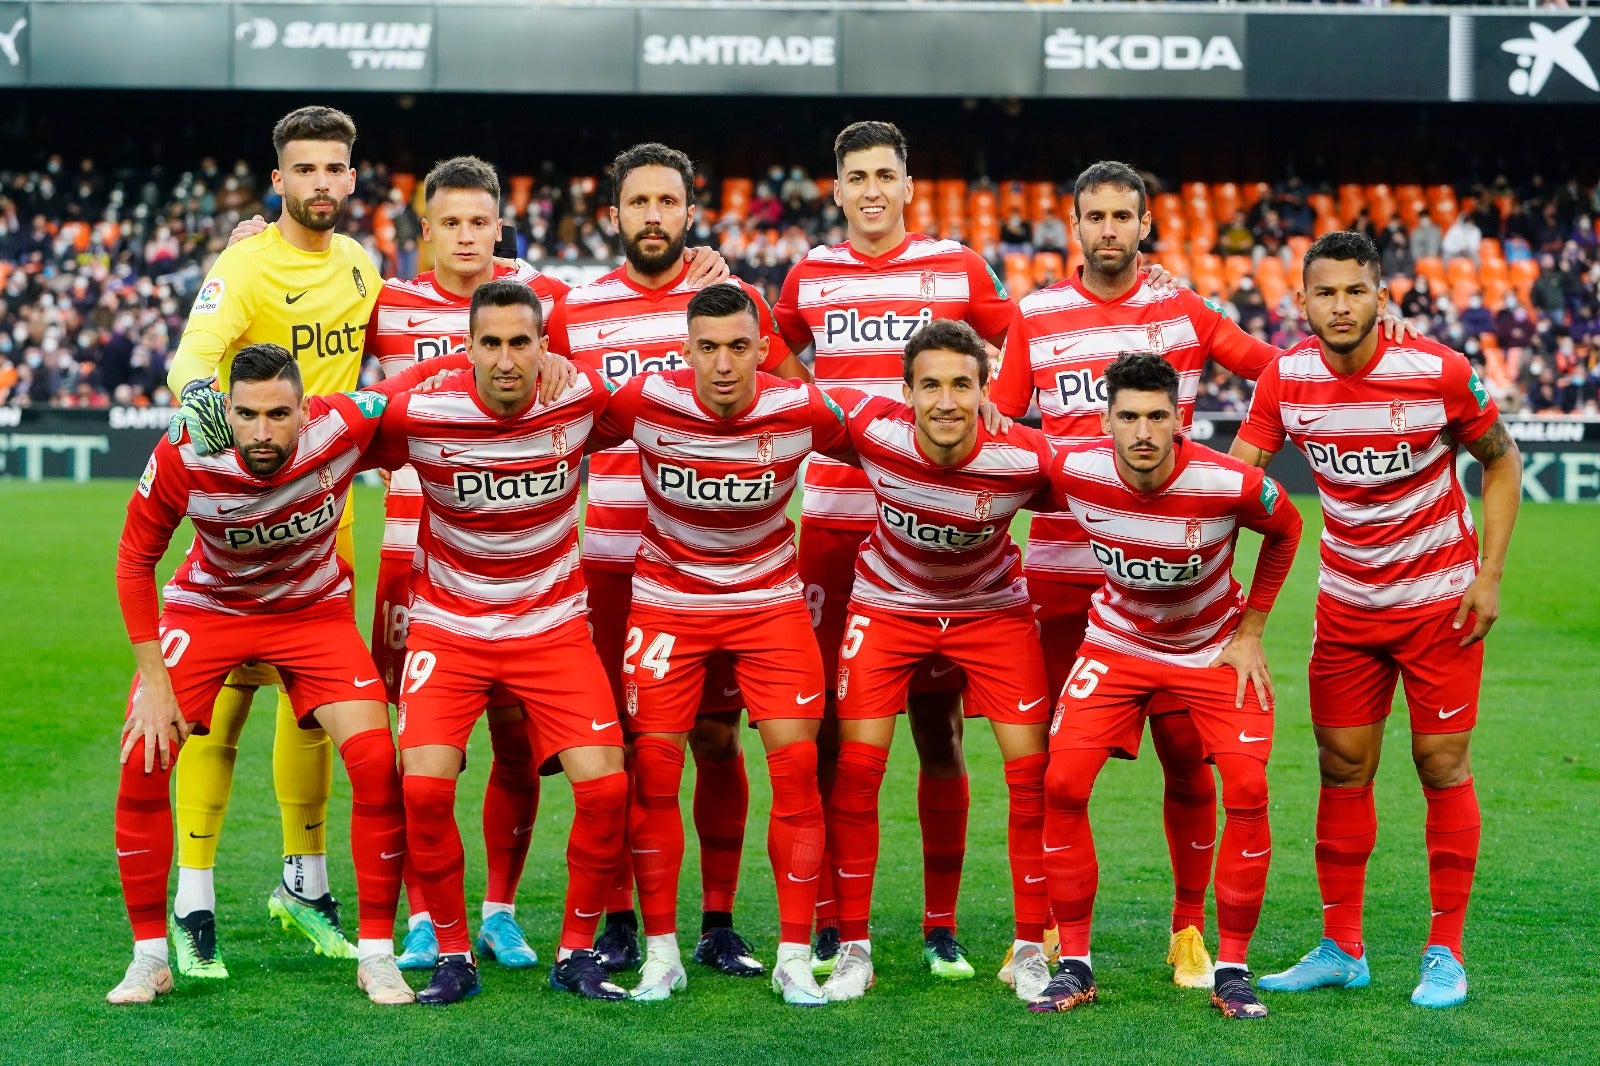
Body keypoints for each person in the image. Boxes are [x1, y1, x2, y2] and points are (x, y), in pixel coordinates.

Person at [991, 160, 1279, 989]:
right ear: (1073, 226)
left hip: (1179, 581)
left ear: (1145, 225)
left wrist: (1376, 336)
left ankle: (1188, 929)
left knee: (1187, 762)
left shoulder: (1183, 308)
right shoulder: (1037, 314)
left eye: (1124, 216)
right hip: (1060, 568)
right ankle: (1041, 928)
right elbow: (1004, 423)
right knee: (1049, 763)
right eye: (1095, 217)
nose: (1110, 230)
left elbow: (1278, 369)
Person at [108, 342, 451, 1005]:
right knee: (141, 755)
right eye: (248, 415)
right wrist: (153, 683)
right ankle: (149, 956)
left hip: (312, 614)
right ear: (227, 410)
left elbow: (405, 381)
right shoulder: (184, 450)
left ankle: (377, 957)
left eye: (279, 414)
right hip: (208, 608)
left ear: (305, 407)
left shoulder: (342, 423)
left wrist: (469, 362)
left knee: (378, 760)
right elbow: (132, 560)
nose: (263, 433)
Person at [1230, 231, 1522, 1009]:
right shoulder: (1284, 379)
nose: (1340, 305)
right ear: (1301, 303)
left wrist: (1489, 576)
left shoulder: (1435, 372)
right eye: (1324, 292)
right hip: (1348, 608)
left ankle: (1445, 953)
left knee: (1440, 767)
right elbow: (1238, 479)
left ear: (1381, 296)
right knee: (1341, 768)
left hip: (1439, 606)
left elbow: (1501, 459)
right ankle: (1342, 947)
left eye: (1355, 291)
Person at [546, 142, 808, 978]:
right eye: (638, 203)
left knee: (719, 739)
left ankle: (720, 920)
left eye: (668, 202)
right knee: (623, 748)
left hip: (714, 561)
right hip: (608, 557)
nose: (653, 217)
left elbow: (791, 389)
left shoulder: (728, 303)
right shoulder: (575, 313)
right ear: (613, 215)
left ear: (690, 214)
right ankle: (624, 917)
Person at [773, 120, 1015, 980]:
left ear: (909, 186)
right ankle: (841, 919)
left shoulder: (957, 265)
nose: (871, 190)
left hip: (941, 526)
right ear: (834, 190)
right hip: (834, 527)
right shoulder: (810, 275)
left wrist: (1000, 408)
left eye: (885, 175)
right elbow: (767, 356)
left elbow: (1025, 343)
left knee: (940, 728)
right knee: (837, 729)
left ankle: (941, 924)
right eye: (855, 177)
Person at [363, 280, 632, 1005]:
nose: (508, 359)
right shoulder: (424, 412)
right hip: (450, 625)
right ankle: (453, 953)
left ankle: (576, 953)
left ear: (545, 345)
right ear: (468, 347)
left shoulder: (580, 400)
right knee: (422, 787)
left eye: (522, 342)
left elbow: (691, 398)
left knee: (606, 787)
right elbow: (327, 427)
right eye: (492, 343)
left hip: (551, 625)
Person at [162, 105, 383, 973]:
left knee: (317, 711)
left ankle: (305, 883)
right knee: (217, 711)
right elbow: (194, 351)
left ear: (352, 179)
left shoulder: (363, 270)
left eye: (336, 169)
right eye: (306, 170)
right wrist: (196, 402)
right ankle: (193, 899)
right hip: (242, 526)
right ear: (280, 178)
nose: (321, 184)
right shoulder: (246, 264)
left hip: (329, 527)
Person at [589, 283, 848, 1007]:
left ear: (765, 350)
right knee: (656, 774)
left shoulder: (798, 407)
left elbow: (893, 434)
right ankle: (663, 954)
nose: (724, 364)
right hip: (668, 604)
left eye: (739, 346)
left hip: (769, 605)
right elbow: (553, 425)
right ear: (686, 351)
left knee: (796, 775)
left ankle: (794, 957)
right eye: (708, 348)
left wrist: (978, 416)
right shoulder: (645, 401)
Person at [1030, 351, 1302, 1020]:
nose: (1143, 432)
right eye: (1128, 417)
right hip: (1116, 643)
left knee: (1245, 787)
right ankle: (1075, 964)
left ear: (1180, 420)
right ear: (1106, 420)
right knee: (1061, 782)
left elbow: (1287, 528)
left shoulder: (1228, 481)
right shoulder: (1072, 466)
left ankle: (1231, 967)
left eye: (1158, 416)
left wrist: (1252, 631)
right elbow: (997, 450)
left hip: (1210, 648)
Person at [818, 320, 1056, 1006]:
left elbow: (1114, 490)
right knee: (859, 770)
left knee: (1030, 776)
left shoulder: (1023, 457)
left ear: (987, 393)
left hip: (991, 612)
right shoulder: (872, 430)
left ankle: (1030, 948)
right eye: (931, 386)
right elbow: (779, 404)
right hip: (888, 607)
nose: (946, 401)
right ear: (905, 392)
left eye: (962, 384)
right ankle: (854, 949)